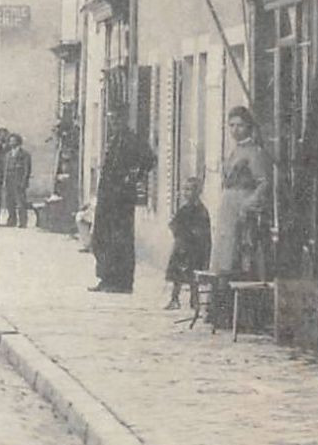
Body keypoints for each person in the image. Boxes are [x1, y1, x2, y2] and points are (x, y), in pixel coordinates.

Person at [208, 106, 273, 326]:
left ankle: (243, 317)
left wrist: (248, 204)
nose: (235, 130)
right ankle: (222, 315)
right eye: (231, 125)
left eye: (240, 125)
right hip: (228, 209)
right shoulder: (234, 152)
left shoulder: (254, 152)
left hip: (242, 211)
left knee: (239, 259)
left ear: (249, 127)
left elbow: (264, 183)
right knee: (224, 259)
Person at [91, 107, 155, 293]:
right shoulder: (113, 140)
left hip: (122, 198)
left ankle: (122, 282)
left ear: (124, 120)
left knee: (121, 240)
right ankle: (106, 278)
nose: (113, 124)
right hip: (107, 196)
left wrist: (134, 176)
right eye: (111, 120)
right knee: (102, 237)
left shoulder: (132, 139)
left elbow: (150, 159)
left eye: (117, 120)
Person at [165, 176, 212, 310]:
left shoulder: (201, 211)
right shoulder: (184, 209)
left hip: (194, 249)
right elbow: (174, 223)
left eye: (189, 189)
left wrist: (191, 234)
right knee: (177, 277)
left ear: (197, 192)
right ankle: (174, 299)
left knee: (193, 276)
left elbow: (203, 231)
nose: (186, 192)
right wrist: (177, 230)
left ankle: (194, 299)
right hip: (181, 246)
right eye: (185, 189)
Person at [0, 133, 32, 227]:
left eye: (14, 140)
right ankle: (11, 220)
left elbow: (27, 169)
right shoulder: (8, 155)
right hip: (9, 180)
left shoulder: (25, 154)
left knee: (20, 202)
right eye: (10, 140)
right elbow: (5, 168)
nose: (12, 142)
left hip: (18, 180)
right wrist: (5, 181)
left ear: (18, 141)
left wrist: (24, 181)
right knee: (9, 201)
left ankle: (23, 221)